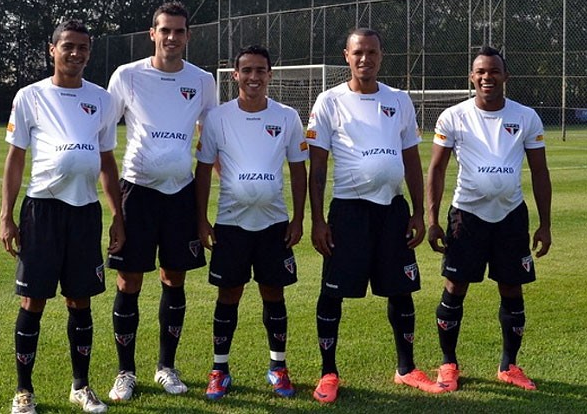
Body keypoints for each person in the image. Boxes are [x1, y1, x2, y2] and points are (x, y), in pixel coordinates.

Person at [306, 27, 446, 404]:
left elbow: (411, 159)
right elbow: (317, 165)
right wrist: (318, 220)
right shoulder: (329, 100)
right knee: (332, 294)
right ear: (346, 56)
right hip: (348, 212)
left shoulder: (399, 100)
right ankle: (328, 372)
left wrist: (418, 212)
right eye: (358, 53)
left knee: (400, 289)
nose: (364, 59)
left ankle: (406, 368)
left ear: (381, 56)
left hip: (392, 210)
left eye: (372, 52)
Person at [0, 20, 124, 414]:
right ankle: (24, 392)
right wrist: (7, 215)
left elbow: (107, 161)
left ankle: (81, 386)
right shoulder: (30, 96)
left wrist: (117, 215)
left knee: (80, 301)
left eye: (83, 47)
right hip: (42, 211)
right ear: (52, 49)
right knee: (32, 301)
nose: (76, 53)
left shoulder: (102, 99)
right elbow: (15, 158)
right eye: (68, 46)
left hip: (85, 212)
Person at [105, 1, 217, 401]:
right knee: (129, 279)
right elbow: (102, 131)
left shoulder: (203, 80)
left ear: (188, 36)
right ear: (152, 33)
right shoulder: (127, 76)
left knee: (174, 277)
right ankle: (126, 372)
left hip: (180, 193)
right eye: (164, 30)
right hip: (136, 191)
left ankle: (166, 367)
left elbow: (212, 138)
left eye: (179, 31)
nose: (172, 37)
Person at [427, 45, 552, 392]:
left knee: (512, 289)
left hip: (511, 216)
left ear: (505, 76)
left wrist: (545, 224)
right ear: (471, 76)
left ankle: (509, 366)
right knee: (455, 289)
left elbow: (540, 172)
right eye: (480, 72)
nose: (487, 77)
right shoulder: (453, 116)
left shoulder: (526, 116)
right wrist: (432, 218)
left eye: (494, 71)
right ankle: (448, 364)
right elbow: (436, 169)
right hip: (466, 217)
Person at [195, 45, 308, 400]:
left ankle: (278, 367)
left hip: (274, 223)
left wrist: (299, 217)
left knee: (273, 293)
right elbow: (202, 170)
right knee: (229, 294)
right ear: (235, 76)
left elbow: (298, 169)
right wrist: (202, 220)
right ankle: (219, 369)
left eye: (261, 71)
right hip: (231, 223)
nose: (254, 77)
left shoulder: (287, 116)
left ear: (270, 75)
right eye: (247, 71)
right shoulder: (217, 117)